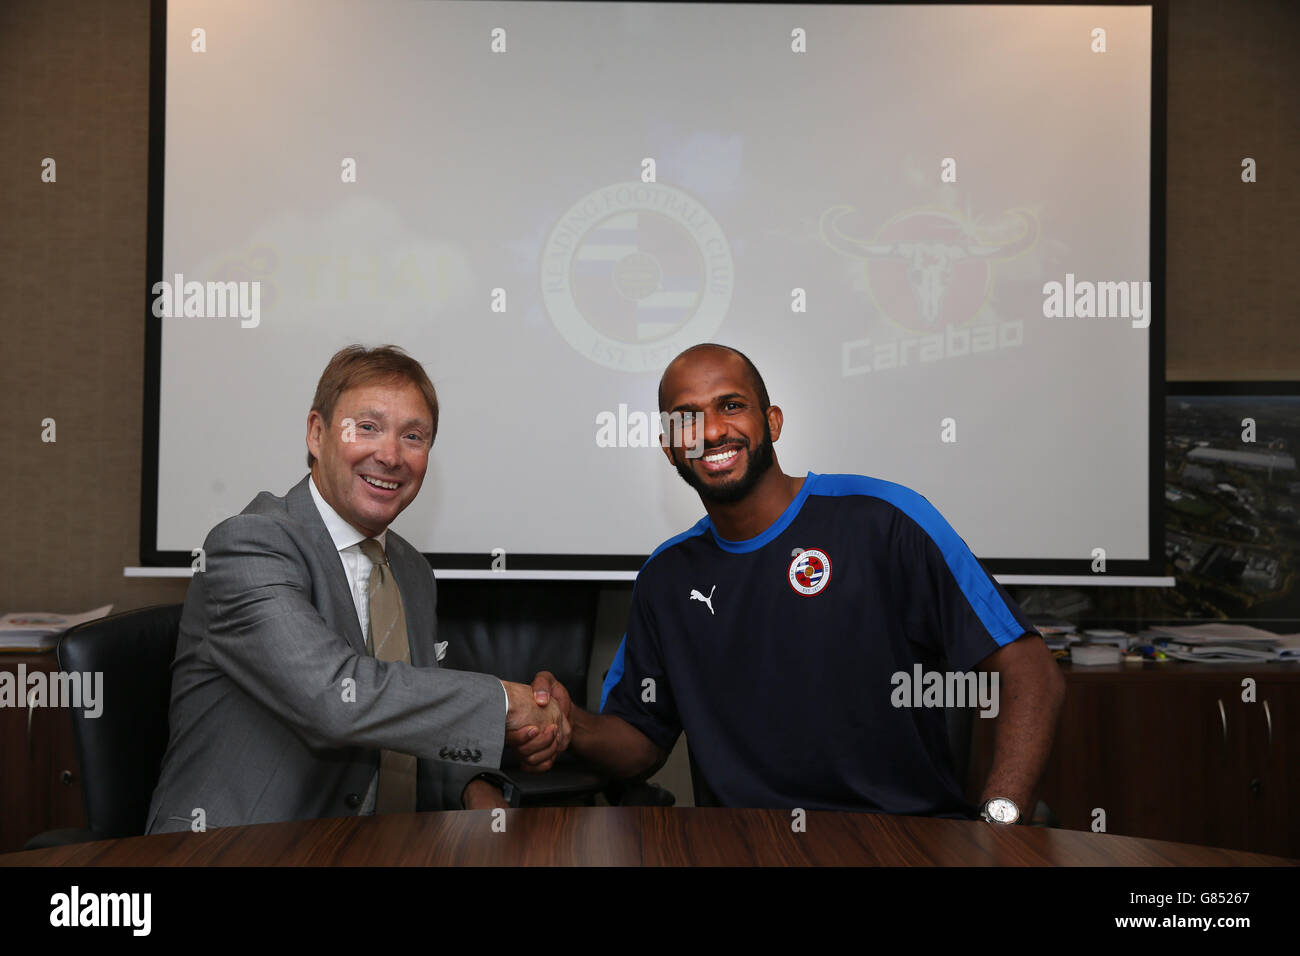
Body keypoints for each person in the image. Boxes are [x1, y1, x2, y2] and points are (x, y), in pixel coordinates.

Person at [514, 343, 1064, 823]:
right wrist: (571, 724)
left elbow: (1031, 671)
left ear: (772, 423)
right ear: (668, 446)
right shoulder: (666, 575)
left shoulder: (883, 519)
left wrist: (998, 826)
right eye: (686, 418)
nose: (710, 431)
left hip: (904, 840)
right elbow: (640, 744)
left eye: (730, 406)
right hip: (744, 847)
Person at [147, 345, 566, 833]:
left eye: (413, 436)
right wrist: (503, 704)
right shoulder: (250, 544)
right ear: (317, 433)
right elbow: (334, 697)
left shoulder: (410, 569)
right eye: (366, 428)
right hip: (237, 848)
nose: (389, 455)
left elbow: (409, 717)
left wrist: (475, 784)